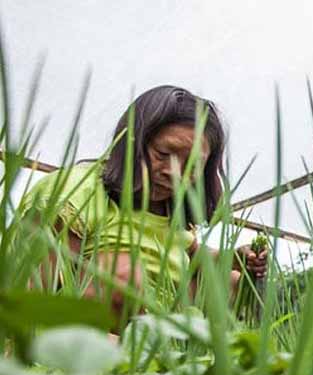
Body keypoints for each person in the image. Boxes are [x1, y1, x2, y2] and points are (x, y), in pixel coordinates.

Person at [18, 85, 267, 321]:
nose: (176, 173)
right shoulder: (77, 191)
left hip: (158, 323)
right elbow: (33, 287)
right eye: (163, 154)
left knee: (233, 282)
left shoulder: (170, 209)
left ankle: (182, 351)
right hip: (84, 324)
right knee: (123, 272)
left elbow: (193, 252)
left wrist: (234, 258)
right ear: (132, 142)